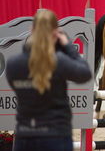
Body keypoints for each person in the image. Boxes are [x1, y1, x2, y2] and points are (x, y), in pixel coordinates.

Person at [6, 10, 92, 151]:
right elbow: (85, 73)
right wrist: (68, 45)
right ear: (55, 33)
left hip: (25, 135)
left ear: (32, 30)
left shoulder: (13, 64)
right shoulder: (59, 61)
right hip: (56, 135)